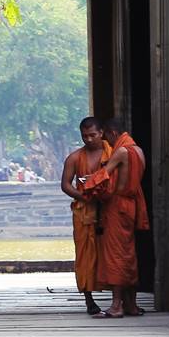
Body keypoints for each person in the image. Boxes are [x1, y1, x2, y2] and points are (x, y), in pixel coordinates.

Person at [91, 119, 148, 318]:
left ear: (113, 133)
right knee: (128, 254)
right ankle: (131, 304)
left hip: (117, 205)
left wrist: (86, 186)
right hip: (131, 205)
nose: (107, 141)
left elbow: (104, 174)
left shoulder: (122, 151)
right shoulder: (138, 151)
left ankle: (116, 306)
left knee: (116, 255)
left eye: (107, 136)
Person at [60, 117, 110, 315]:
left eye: (93, 135)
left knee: (111, 253)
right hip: (84, 211)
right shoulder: (74, 158)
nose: (89, 140)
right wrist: (84, 197)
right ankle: (89, 298)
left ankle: (118, 299)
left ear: (102, 133)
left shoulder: (113, 154)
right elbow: (65, 184)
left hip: (108, 208)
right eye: (84, 136)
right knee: (85, 255)